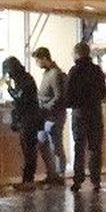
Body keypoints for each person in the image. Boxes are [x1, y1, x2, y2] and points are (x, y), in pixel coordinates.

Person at [66, 41, 106, 192]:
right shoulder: (97, 70)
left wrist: (73, 104)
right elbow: (103, 92)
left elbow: (68, 94)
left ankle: (78, 179)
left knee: (79, 146)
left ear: (77, 54)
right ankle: (96, 179)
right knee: (95, 147)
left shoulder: (74, 71)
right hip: (95, 112)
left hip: (79, 113)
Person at [2, 56, 45, 188]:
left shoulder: (23, 80)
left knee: (28, 149)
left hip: (28, 119)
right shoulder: (26, 77)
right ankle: (28, 179)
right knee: (29, 149)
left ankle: (28, 180)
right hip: (31, 118)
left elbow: (19, 97)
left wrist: (9, 88)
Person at [31, 46, 67, 183]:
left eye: (37, 60)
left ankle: (59, 174)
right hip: (46, 116)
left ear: (44, 58)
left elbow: (58, 96)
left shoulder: (54, 74)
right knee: (43, 143)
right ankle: (51, 174)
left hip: (53, 116)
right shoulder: (48, 73)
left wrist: (46, 107)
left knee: (56, 145)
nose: (37, 63)